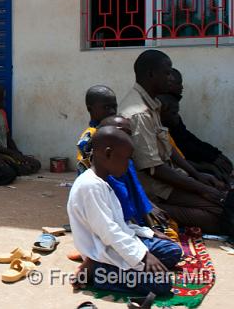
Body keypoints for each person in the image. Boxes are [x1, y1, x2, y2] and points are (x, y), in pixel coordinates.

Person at [120, 50, 228, 234]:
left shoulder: (152, 104)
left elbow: (167, 147)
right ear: (151, 74)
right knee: (220, 214)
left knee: (221, 201)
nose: (171, 78)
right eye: (167, 72)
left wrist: (196, 175)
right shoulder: (139, 113)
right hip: (155, 189)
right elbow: (154, 169)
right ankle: (145, 211)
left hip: (166, 181)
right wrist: (201, 187)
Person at [68, 125, 183, 296]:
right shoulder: (90, 186)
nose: (129, 164)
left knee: (172, 250)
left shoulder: (103, 182)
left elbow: (119, 223)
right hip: (103, 252)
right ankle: (98, 273)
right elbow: (109, 232)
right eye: (126, 158)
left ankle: (121, 267)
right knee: (162, 284)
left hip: (117, 246)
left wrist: (148, 233)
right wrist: (143, 257)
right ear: (108, 154)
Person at [76, 86, 154, 226]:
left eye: (114, 106)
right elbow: (113, 186)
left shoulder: (116, 130)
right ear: (90, 109)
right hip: (108, 206)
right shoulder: (90, 140)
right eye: (106, 107)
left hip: (129, 204)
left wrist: (146, 210)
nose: (111, 111)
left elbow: (133, 182)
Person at [164, 69, 233, 182]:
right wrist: (210, 160)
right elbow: (181, 147)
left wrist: (214, 154)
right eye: (179, 83)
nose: (182, 87)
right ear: (169, 84)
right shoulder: (165, 112)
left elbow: (186, 137)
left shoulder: (170, 108)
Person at [157, 93, 229, 186]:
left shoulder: (167, 131)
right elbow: (177, 163)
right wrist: (205, 169)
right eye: (174, 113)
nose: (177, 117)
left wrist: (214, 156)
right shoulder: (159, 132)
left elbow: (182, 155)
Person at [0, 81, 40, 175]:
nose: (3, 101)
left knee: (36, 164)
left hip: (5, 151)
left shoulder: (2, 113)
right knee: (19, 169)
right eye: (0, 99)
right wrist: (11, 153)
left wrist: (17, 152)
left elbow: (7, 137)